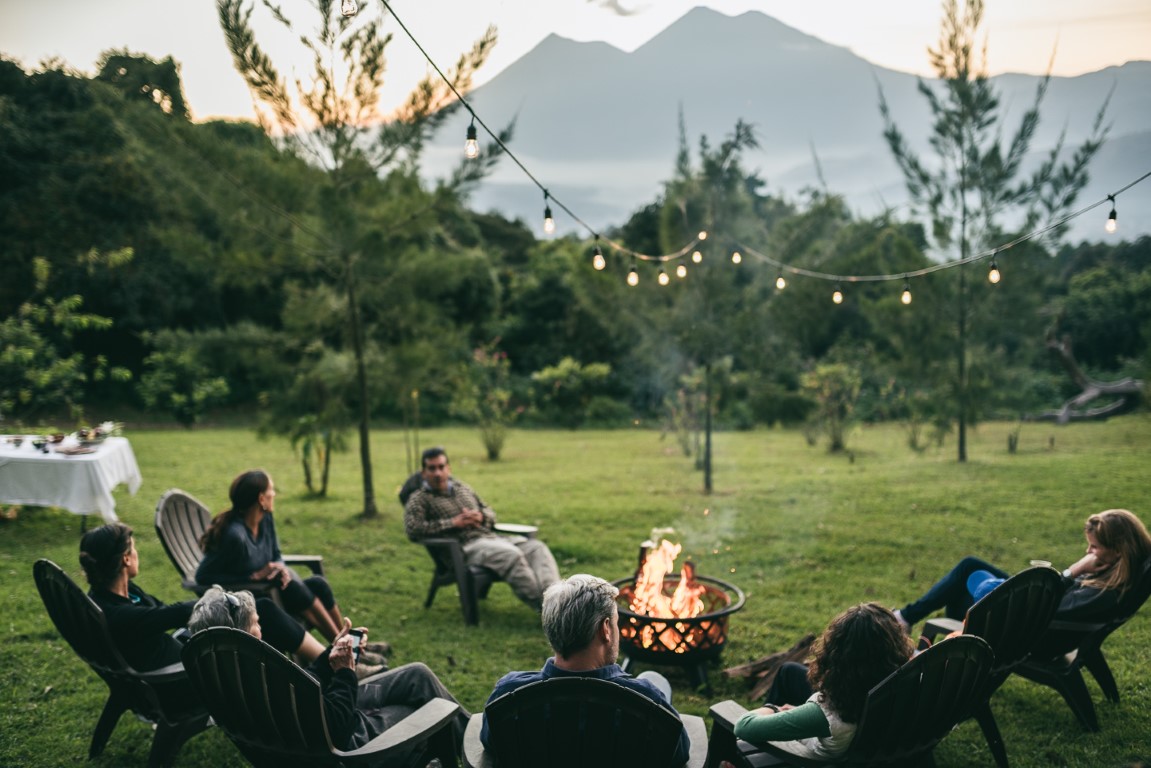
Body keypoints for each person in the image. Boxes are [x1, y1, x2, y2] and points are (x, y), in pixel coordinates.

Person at [189, 587, 469, 765]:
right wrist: (346, 672)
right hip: (348, 750)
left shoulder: (225, 676)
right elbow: (335, 728)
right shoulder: (264, 675)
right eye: (257, 624)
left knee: (416, 676)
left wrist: (330, 655)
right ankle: (482, 745)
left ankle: (478, 739)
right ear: (246, 634)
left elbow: (302, 692)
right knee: (426, 707)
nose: (262, 628)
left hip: (310, 738)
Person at [480, 574, 691, 765]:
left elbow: (491, 742)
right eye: (617, 623)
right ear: (605, 629)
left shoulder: (508, 695)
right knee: (654, 679)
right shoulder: (647, 699)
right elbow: (679, 753)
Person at [79, 522, 345, 669]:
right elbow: (176, 612)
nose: (137, 554)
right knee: (264, 613)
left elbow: (163, 613)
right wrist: (227, 599)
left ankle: (325, 661)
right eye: (134, 549)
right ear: (125, 559)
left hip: (181, 650)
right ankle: (330, 664)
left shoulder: (113, 594)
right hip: (185, 674)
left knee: (263, 611)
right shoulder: (120, 614)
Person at [893, 508, 1151, 635]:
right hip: (1031, 609)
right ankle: (907, 617)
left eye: (1094, 547)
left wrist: (1072, 571)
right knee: (971, 568)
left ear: (1118, 551)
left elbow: (1047, 611)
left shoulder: (1102, 593)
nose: (1087, 552)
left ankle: (906, 618)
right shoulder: (1108, 576)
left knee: (977, 585)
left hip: (1022, 625)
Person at [730, 603, 915, 761]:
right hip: (869, 723)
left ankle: (743, 756)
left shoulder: (826, 712)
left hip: (807, 754)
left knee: (752, 723)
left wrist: (775, 709)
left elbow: (744, 726)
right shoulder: (901, 680)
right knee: (789, 672)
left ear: (836, 655)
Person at [196, 469, 354, 644]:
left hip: (275, 589)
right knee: (294, 586)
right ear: (261, 499)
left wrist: (279, 567)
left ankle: (348, 644)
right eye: (271, 490)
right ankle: (345, 648)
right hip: (257, 599)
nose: (274, 494)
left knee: (319, 584)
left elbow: (276, 554)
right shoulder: (235, 536)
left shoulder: (265, 519)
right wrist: (252, 577)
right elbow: (202, 576)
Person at [404, 446, 560, 611]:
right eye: (432, 468)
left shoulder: (462, 489)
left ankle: (557, 602)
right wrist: (453, 523)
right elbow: (413, 528)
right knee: (510, 555)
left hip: (492, 538)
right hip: (464, 547)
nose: (437, 473)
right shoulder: (420, 499)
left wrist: (481, 517)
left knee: (537, 548)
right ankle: (546, 610)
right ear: (423, 473)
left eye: (441, 467)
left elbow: (489, 512)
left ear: (448, 468)